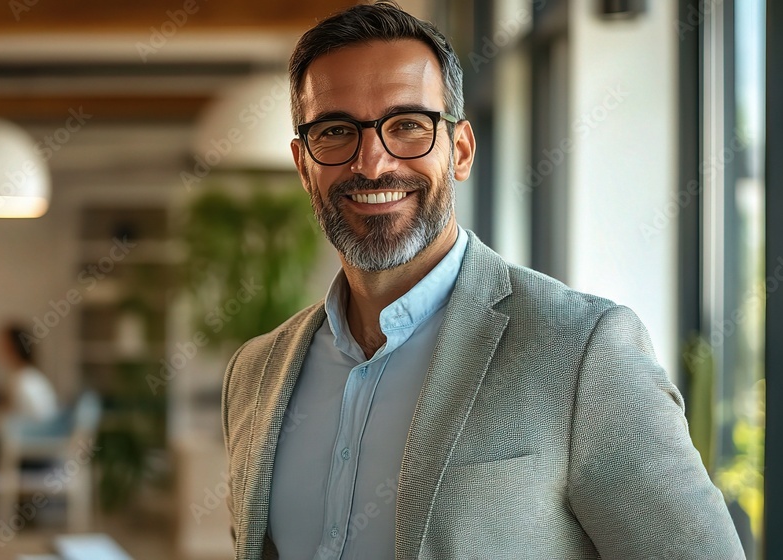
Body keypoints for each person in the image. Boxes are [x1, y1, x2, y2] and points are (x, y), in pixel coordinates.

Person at [220, 3, 745, 559]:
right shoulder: (254, 373)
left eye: (408, 125)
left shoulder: (583, 351)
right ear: (304, 166)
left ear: (461, 151)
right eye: (335, 131)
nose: (372, 164)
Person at [0, 323, 58, 423]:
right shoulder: (29, 376)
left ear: (11, 348)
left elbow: (13, 420)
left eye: (1, 344)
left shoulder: (23, 381)